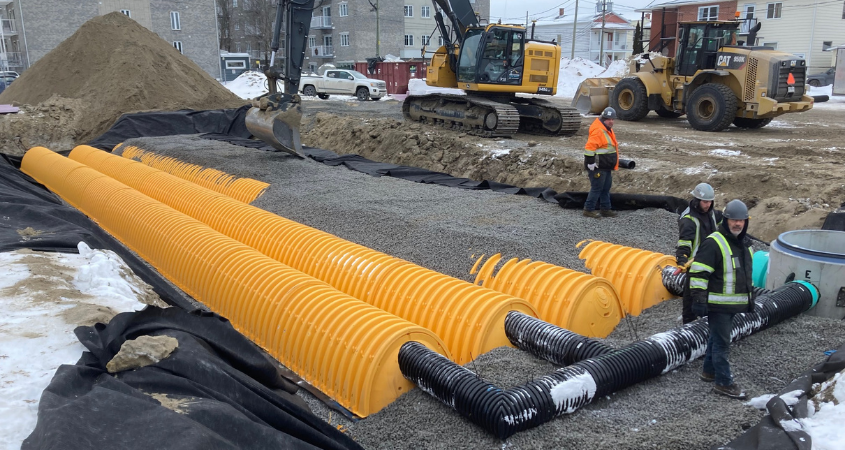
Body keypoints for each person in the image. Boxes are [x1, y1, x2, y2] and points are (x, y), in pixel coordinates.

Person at [688, 199, 755, 399]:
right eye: (734, 220)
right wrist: (698, 300)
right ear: (725, 220)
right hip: (718, 305)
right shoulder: (714, 243)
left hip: (731, 303)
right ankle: (724, 383)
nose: (738, 224)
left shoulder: (744, 244)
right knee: (722, 344)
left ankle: (709, 371)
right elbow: (698, 272)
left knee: (717, 339)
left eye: (741, 220)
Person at [675, 182, 722, 324]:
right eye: (705, 202)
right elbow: (685, 242)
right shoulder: (689, 220)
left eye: (710, 202)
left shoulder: (711, 213)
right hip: (695, 266)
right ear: (697, 200)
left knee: (712, 296)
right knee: (691, 301)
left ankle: (708, 322)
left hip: (711, 262)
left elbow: (722, 219)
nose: (708, 205)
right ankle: (688, 328)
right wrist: (682, 258)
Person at [583, 107, 619, 218]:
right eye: (609, 119)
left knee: (605, 188)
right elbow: (589, 148)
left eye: (613, 119)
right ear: (603, 119)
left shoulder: (607, 129)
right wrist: (590, 163)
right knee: (597, 188)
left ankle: (605, 209)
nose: (611, 121)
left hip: (605, 165)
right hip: (597, 166)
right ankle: (588, 210)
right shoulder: (599, 131)